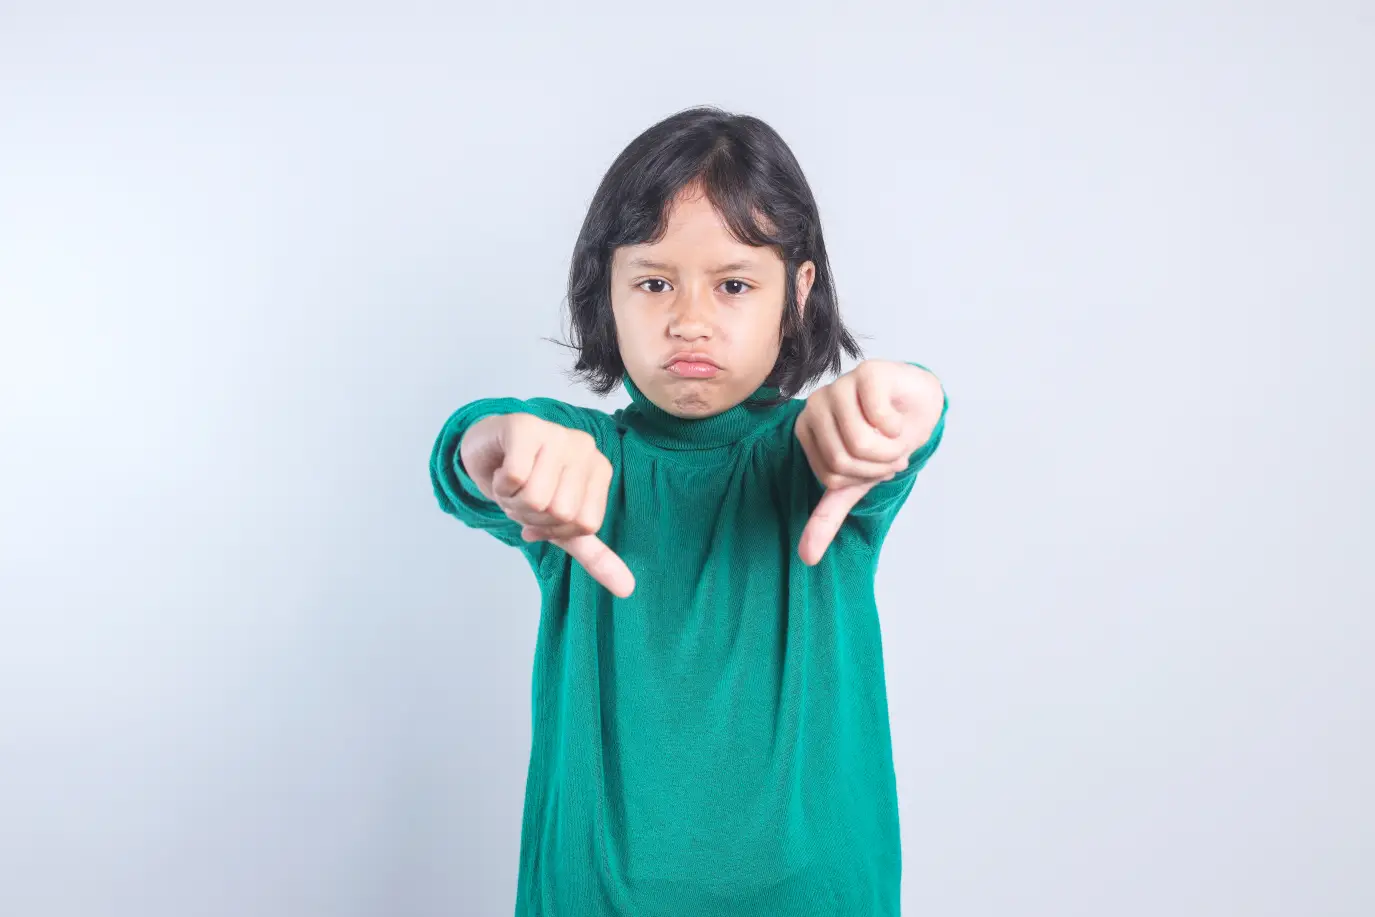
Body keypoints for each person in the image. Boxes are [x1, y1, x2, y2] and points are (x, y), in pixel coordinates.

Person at [430, 105, 948, 916]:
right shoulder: (583, 462)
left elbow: (897, 418)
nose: (690, 320)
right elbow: (482, 451)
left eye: (734, 283)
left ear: (798, 290)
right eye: (654, 281)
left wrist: (906, 401)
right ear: (607, 288)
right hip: (591, 893)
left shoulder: (821, 455)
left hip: (818, 894)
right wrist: (498, 444)